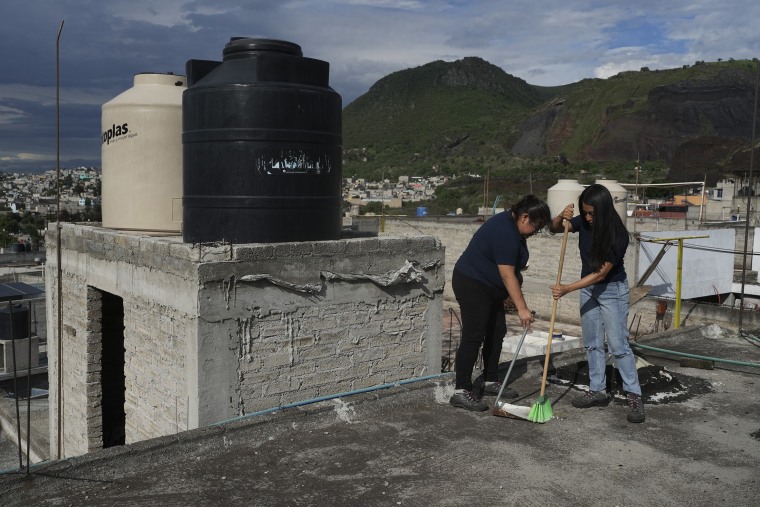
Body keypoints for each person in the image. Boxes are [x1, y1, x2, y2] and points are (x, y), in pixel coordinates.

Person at [549, 184, 645, 423]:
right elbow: (554, 229)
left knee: (618, 345)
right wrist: (562, 216)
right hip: (587, 288)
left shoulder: (618, 234)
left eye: (592, 214)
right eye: (585, 212)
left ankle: (634, 396)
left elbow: (602, 274)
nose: (588, 218)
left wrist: (568, 288)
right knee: (592, 344)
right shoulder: (584, 220)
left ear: (603, 210)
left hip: (612, 290)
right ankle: (597, 390)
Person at [449, 195, 551, 411]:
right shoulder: (505, 232)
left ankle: (490, 380)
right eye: (536, 226)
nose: (536, 231)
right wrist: (522, 308)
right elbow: (506, 274)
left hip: (490, 287)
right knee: (474, 335)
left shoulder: (513, 224)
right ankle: (461, 390)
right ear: (525, 217)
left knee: (497, 331)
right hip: (473, 283)